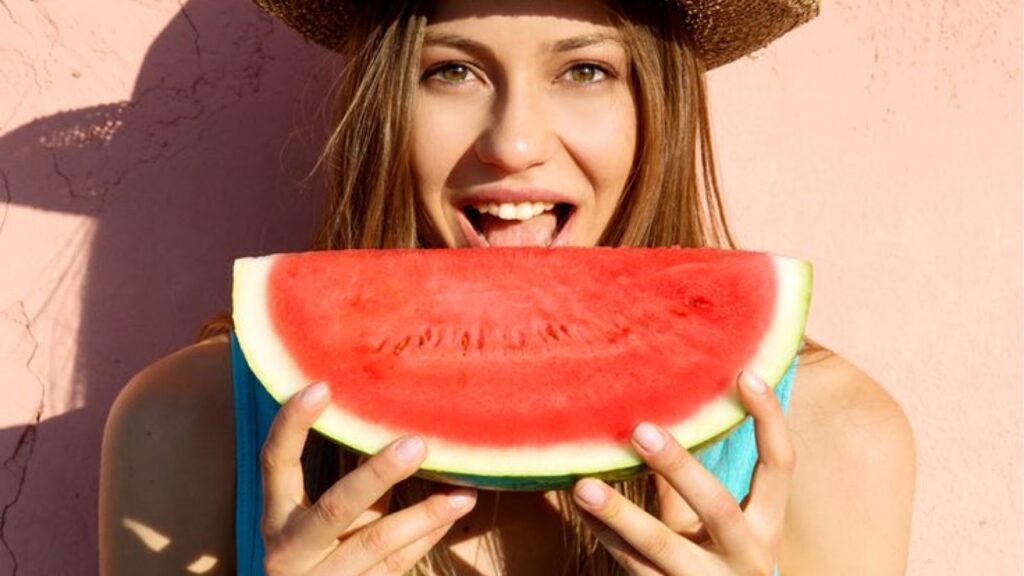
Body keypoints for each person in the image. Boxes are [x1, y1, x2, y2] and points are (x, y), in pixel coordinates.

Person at [99, 0, 916, 574]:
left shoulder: (836, 436)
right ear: (381, 102)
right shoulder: (186, 424)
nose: (515, 143)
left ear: (656, 104)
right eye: (452, 70)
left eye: (587, 70)